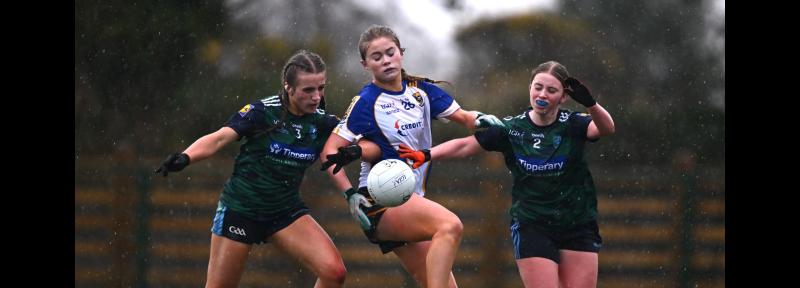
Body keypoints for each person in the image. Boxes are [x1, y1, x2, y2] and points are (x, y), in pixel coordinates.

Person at [398, 61, 616, 288]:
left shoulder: (573, 124)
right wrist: (426, 154)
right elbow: (465, 145)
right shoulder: (511, 129)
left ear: (563, 97)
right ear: (530, 88)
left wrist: (591, 104)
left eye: (551, 90)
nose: (542, 94)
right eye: (538, 87)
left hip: (577, 223)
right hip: (533, 225)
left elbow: (606, 128)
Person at [319, 25, 503, 288]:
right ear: (365, 64)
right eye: (376, 57)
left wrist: (481, 119)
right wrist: (350, 195)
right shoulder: (366, 101)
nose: (385, 60)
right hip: (380, 199)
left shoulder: (421, 91)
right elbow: (330, 150)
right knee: (450, 225)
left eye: (390, 52)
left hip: (410, 197)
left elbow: (464, 118)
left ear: (401, 53)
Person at [154, 50, 354, 288]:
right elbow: (219, 138)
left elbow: (365, 140)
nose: (316, 97)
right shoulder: (262, 112)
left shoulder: (323, 123)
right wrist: (185, 157)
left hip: (285, 211)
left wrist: (357, 151)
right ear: (289, 87)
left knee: (334, 273)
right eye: (308, 90)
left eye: (321, 88)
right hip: (242, 209)